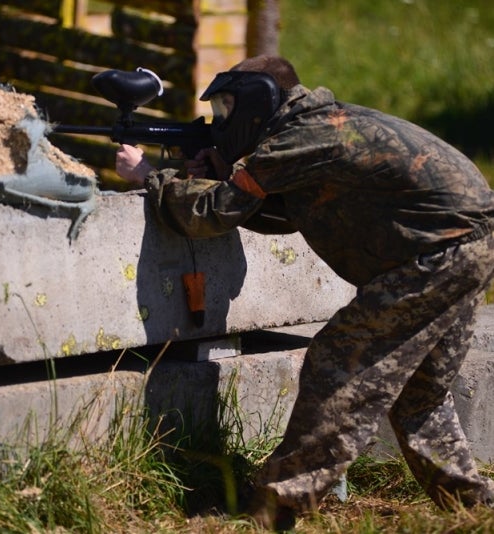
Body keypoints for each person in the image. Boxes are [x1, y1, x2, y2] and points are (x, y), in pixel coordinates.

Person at [116, 55, 494, 530]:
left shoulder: (295, 139)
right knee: (420, 391)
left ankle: (276, 506)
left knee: (338, 363)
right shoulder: (316, 127)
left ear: (258, 102)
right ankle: (473, 508)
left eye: (227, 108)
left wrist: (149, 175)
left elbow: (213, 213)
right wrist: (223, 168)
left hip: (437, 253)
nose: (221, 122)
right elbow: (283, 214)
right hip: (466, 244)